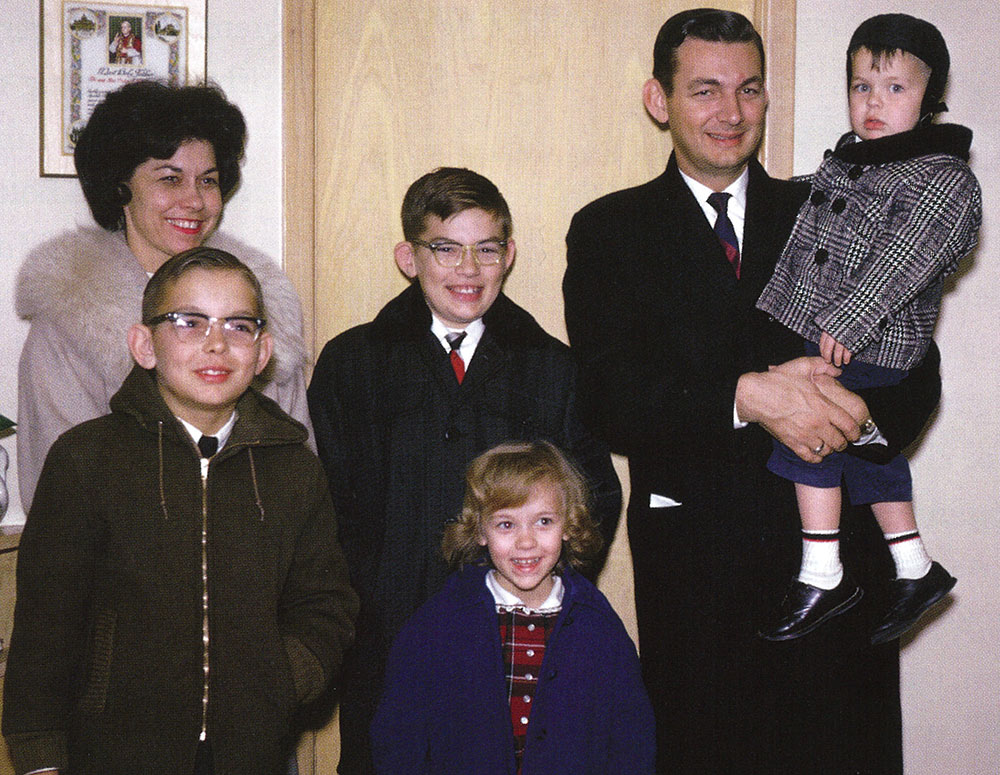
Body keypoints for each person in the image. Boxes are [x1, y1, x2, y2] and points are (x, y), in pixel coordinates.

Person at [563, 9, 942, 774]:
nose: (730, 112)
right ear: (659, 100)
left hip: (838, 574)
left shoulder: (835, 207)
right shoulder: (610, 229)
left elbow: (917, 367)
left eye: (748, 89)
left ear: (768, 96)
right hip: (698, 581)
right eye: (704, 90)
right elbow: (609, 396)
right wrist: (749, 396)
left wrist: (848, 417)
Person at [307, 167, 621, 774]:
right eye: (446, 249)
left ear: (510, 256)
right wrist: (363, 606)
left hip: (516, 642)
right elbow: (327, 504)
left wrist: (537, 593)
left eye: (487, 249)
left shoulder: (552, 368)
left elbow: (594, 497)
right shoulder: (352, 363)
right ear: (409, 257)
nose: (468, 269)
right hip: (385, 635)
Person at [2, 247, 358, 775]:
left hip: (253, 751)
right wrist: (39, 755)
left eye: (239, 326)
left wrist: (284, 679)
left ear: (262, 352)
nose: (216, 343)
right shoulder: (86, 459)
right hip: (113, 752)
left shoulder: (294, 468)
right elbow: (45, 624)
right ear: (144, 345)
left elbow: (325, 602)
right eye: (189, 322)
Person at [756, 14, 981, 643]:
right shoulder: (858, 158)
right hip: (836, 332)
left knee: (812, 434)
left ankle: (822, 573)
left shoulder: (942, 178)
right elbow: (819, 200)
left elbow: (903, 259)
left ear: (930, 99)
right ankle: (914, 567)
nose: (873, 103)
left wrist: (849, 319)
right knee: (867, 448)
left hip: (872, 341)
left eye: (895, 88)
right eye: (861, 87)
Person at [16, 80, 312, 512]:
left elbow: (299, 476)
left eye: (207, 181)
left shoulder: (262, 307)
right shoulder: (69, 323)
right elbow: (60, 495)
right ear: (121, 188)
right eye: (170, 179)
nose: (194, 200)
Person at [371, 441, 654, 774]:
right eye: (506, 524)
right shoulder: (437, 625)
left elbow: (632, 742)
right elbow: (398, 739)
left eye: (543, 521)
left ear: (568, 525)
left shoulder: (598, 626)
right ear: (480, 530)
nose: (526, 542)